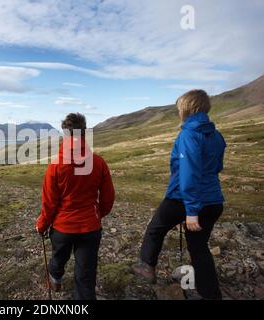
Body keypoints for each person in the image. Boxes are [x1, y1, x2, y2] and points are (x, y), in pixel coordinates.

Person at [133, 90, 226, 300]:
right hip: (213, 199)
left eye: (179, 108)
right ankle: (211, 295)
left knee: (156, 228)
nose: (178, 112)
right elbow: (217, 166)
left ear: (187, 108)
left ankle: (147, 267)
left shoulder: (188, 134)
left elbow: (189, 173)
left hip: (183, 199)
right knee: (199, 248)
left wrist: (191, 211)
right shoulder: (216, 134)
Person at [36, 113, 115, 300]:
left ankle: (55, 278)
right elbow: (108, 198)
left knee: (58, 258)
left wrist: (42, 225)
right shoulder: (98, 162)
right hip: (90, 228)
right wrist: (96, 216)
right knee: (86, 277)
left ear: (65, 134)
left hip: (62, 228)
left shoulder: (55, 166)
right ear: (84, 133)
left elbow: (49, 203)